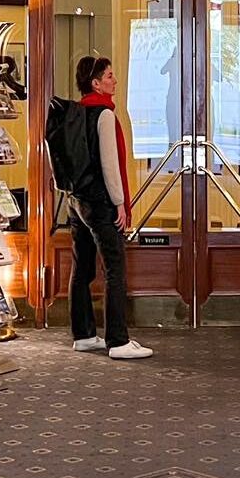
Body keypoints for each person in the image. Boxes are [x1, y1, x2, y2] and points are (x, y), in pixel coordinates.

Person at [68, 56, 153, 360]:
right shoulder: (104, 114)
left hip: (76, 200)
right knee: (115, 268)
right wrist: (120, 203)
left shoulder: (77, 112)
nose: (114, 81)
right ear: (96, 83)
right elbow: (110, 164)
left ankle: (83, 334)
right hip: (101, 202)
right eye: (109, 76)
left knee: (82, 268)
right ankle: (117, 340)